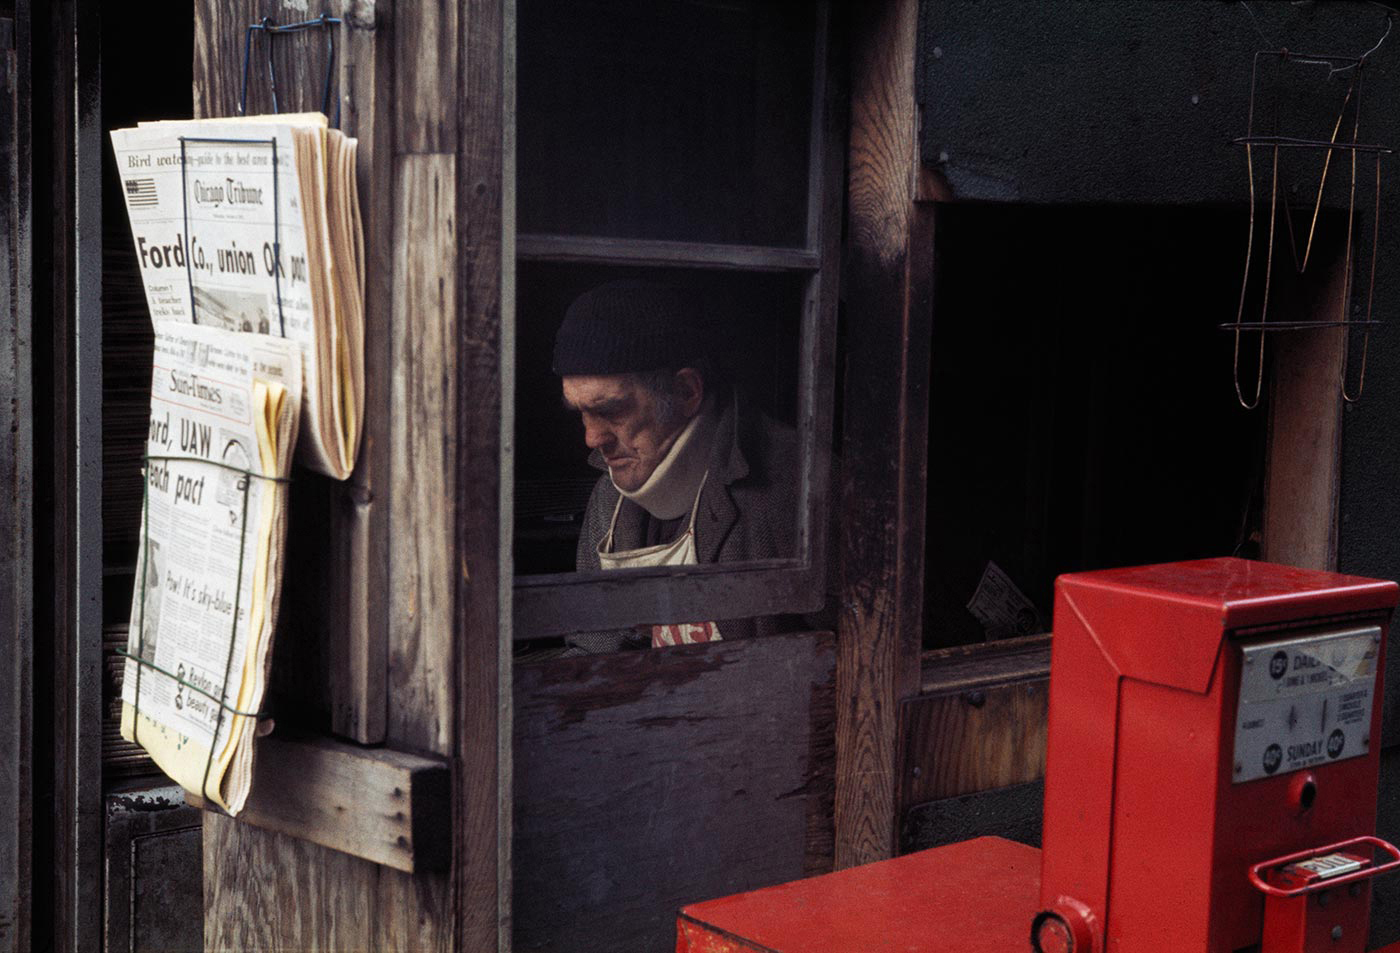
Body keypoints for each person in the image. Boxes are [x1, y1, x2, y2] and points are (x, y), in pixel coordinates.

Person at [554, 280, 821, 653]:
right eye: (581, 413)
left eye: (611, 410)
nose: (592, 438)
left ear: (686, 391)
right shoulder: (608, 495)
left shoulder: (799, 485)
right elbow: (591, 651)